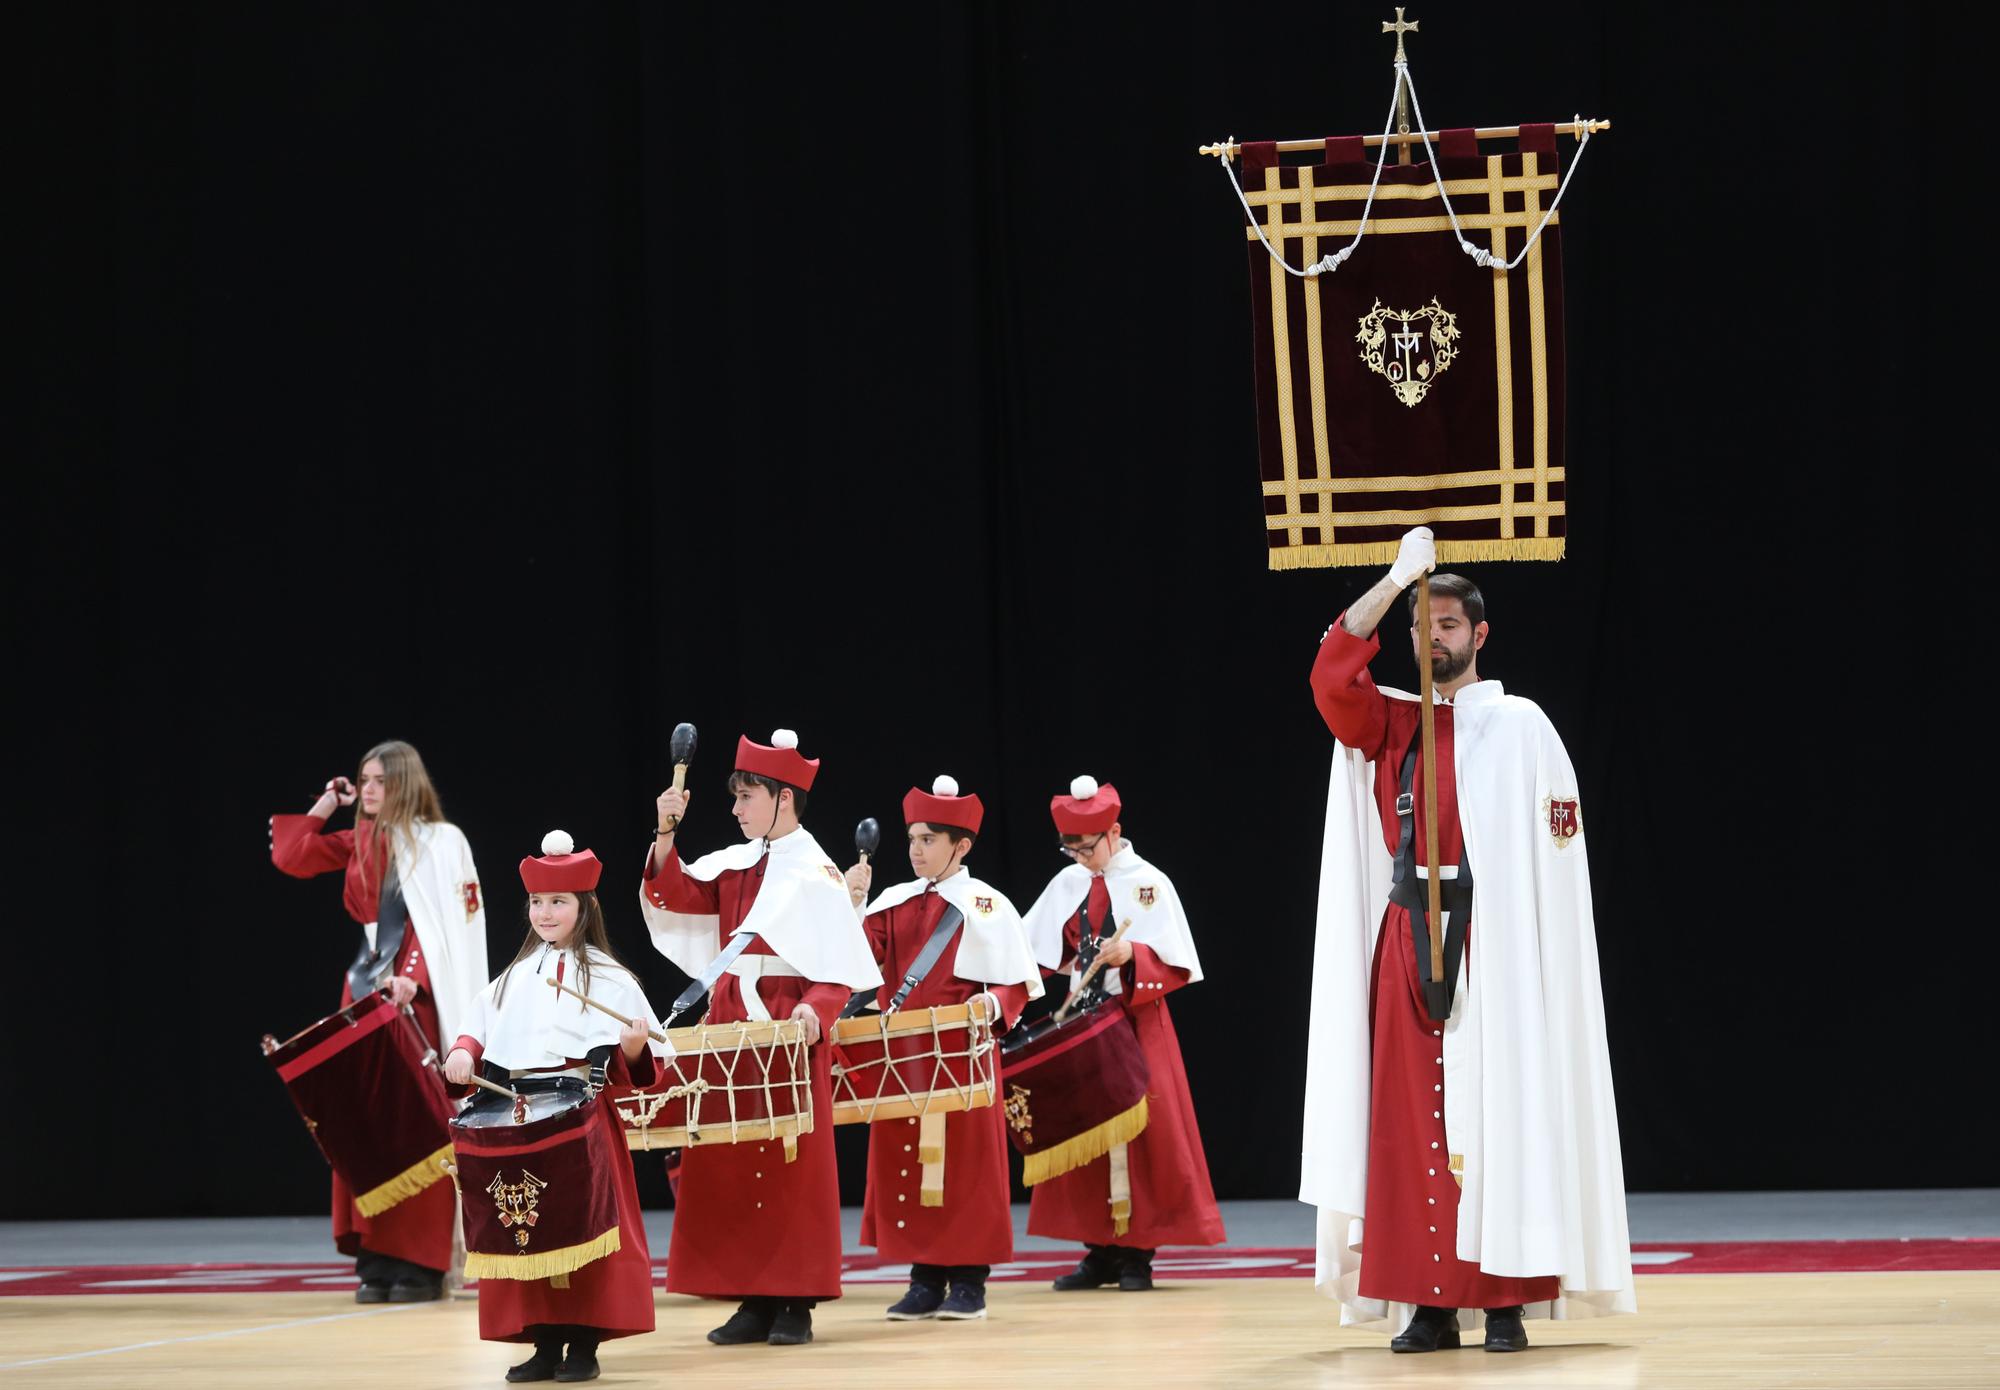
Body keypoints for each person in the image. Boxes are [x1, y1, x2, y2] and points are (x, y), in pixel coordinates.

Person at [1300, 526, 1634, 1352]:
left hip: (1497, 943)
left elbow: (1552, 863)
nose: (1434, 637)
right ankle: (1429, 1305)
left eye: (1447, 624)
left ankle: (1506, 1299)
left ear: (1479, 636)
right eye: (1423, 624)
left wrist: (1520, 953)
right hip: (1409, 939)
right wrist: (1392, 581)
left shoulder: (1522, 726)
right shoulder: (1388, 723)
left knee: (1501, 1110)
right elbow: (1330, 673)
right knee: (1411, 1123)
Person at [636, 729, 882, 1347]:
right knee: (728, 1163)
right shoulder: (736, 860)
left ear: (783, 798)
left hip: (786, 1030)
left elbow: (837, 969)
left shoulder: (819, 873)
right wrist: (666, 835)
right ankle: (751, 1296)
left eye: (747, 797)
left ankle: (795, 1300)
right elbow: (678, 897)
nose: (737, 809)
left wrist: (814, 1015)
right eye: (737, 798)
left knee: (789, 1170)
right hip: (730, 1029)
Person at [269, 739, 487, 1302]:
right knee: (362, 1122)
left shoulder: (441, 841)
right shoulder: (362, 838)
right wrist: (326, 803)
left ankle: (420, 1261)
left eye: (378, 781)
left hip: (415, 994)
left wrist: (413, 974)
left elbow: (441, 926)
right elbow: (291, 855)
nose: (367, 789)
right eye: (362, 780)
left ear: (405, 784)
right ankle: (377, 1256)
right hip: (364, 991)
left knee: (415, 1124)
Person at [443, 830, 663, 1384]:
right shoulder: (514, 978)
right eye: (537, 902)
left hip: (582, 1119)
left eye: (557, 901)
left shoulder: (612, 980)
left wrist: (633, 1045)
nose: (544, 912)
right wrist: (462, 1055)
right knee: (527, 1227)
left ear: (583, 907)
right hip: (519, 1116)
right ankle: (543, 1341)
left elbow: (641, 1066)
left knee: (584, 1232)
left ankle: (585, 1345)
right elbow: (477, 1028)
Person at [842, 775, 1044, 1321]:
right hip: (903, 1055)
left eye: (928, 839)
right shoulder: (892, 901)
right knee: (906, 1160)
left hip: (963, 1053)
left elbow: (1016, 983)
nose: (915, 850)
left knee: (968, 1167)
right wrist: (853, 903)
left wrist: (992, 1007)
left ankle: (970, 1282)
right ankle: (924, 1277)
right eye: (911, 839)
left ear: (962, 845)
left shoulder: (989, 904)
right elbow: (859, 961)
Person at [1019, 776, 1225, 1291]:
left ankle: (1137, 1254)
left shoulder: (1149, 882)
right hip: (1082, 1024)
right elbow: (1031, 951)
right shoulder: (1066, 883)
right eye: (1072, 850)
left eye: (1087, 848)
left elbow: (1177, 961)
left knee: (1145, 1136)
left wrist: (1134, 954)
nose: (1081, 859)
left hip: (1133, 1020)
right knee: (1083, 1130)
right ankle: (1099, 1250)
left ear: (1115, 832)